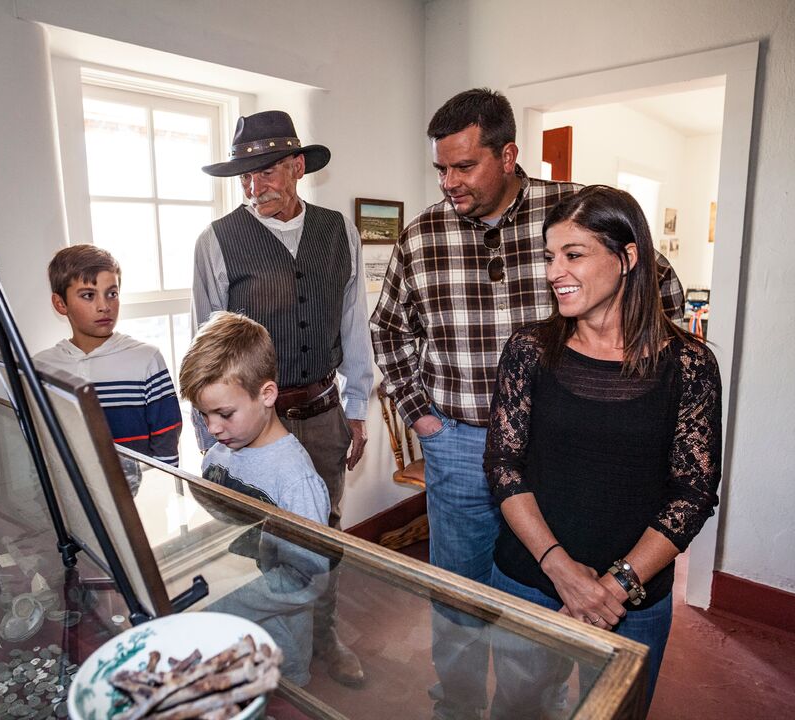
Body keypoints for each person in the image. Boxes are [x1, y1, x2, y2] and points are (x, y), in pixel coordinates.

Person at [370, 88, 684, 719]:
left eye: (465, 166)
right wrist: (424, 418)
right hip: (459, 444)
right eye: (441, 168)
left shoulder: (571, 215)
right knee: (457, 597)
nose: (449, 181)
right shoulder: (422, 234)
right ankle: (457, 707)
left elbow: (661, 293)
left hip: (556, 449)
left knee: (546, 590)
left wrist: (621, 407)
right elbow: (387, 330)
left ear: (508, 154)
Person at [484, 185, 722, 716]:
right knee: (519, 709)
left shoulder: (690, 366)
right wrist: (563, 571)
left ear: (627, 256)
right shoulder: (529, 351)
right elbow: (503, 467)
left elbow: (693, 491)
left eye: (573, 255)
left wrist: (615, 585)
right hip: (530, 580)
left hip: (633, 600)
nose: (552, 272)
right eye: (549, 256)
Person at [193, 110, 372, 686]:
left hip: (321, 414)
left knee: (321, 540)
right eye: (244, 177)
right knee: (249, 542)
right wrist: (210, 436)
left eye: (266, 171)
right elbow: (205, 344)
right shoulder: (216, 242)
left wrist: (359, 407)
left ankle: (323, 638)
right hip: (246, 426)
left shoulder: (338, 231)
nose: (254, 188)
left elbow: (353, 322)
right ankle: (256, 647)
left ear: (297, 166)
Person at [178, 311, 331, 686]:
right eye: (204, 414)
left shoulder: (296, 482)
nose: (212, 428)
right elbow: (214, 534)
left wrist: (222, 606)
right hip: (224, 637)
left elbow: (306, 578)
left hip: (275, 654)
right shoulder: (217, 454)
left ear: (266, 394)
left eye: (224, 413)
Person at [34, 245, 182, 486]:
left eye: (111, 293)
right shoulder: (42, 366)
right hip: (72, 498)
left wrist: (158, 493)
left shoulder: (146, 359)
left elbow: (167, 441)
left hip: (139, 502)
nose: (104, 306)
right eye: (88, 295)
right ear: (61, 304)